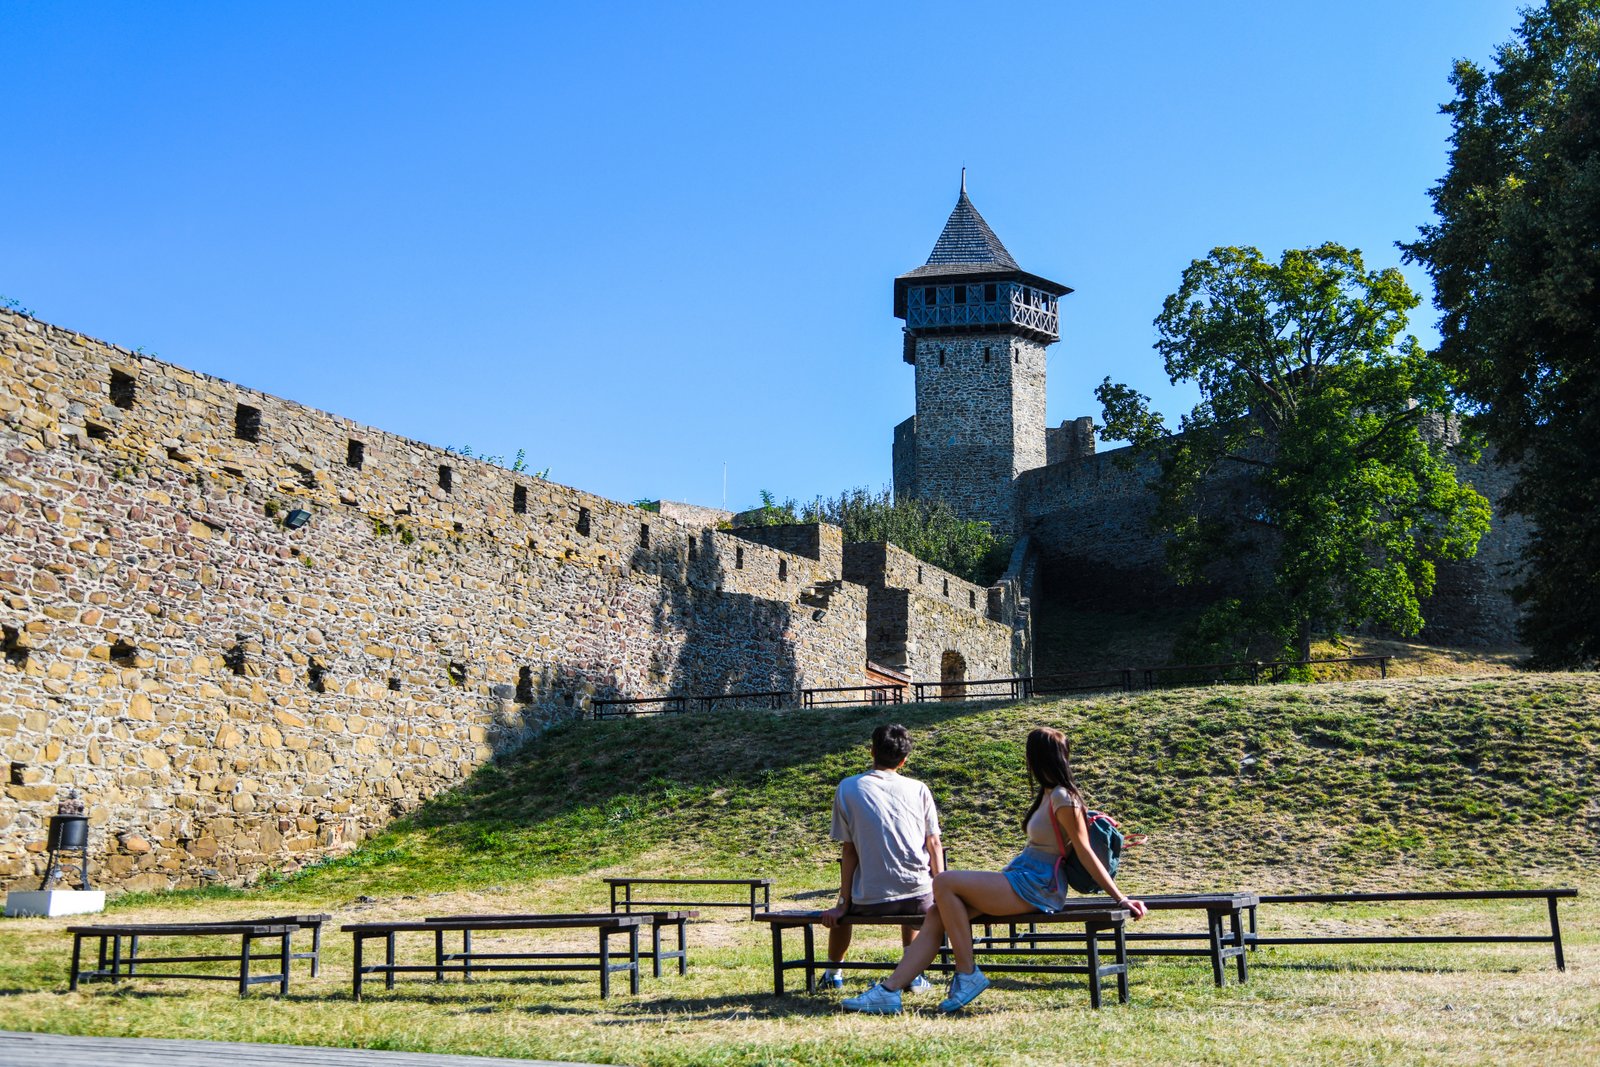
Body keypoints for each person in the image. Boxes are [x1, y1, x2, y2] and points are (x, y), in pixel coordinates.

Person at [843, 726, 1148, 1015]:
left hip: (1039, 885)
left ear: (1037, 757)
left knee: (945, 882)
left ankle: (967, 973)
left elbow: (1084, 850)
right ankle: (889, 991)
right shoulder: (1048, 793)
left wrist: (1120, 898)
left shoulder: (1063, 797)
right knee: (938, 913)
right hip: (1024, 876)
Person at [819, 723, 944, 994]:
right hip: (918, 897)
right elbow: (933, 843)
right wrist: (941, 889)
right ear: (904, 760)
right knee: (912, 890)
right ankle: (911, 973)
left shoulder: (848, 788)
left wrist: (843, 902)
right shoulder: (919, 788)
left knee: (845, 908)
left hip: (871, 900)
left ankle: (833, 972)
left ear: (871, 751)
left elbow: (849, 850)